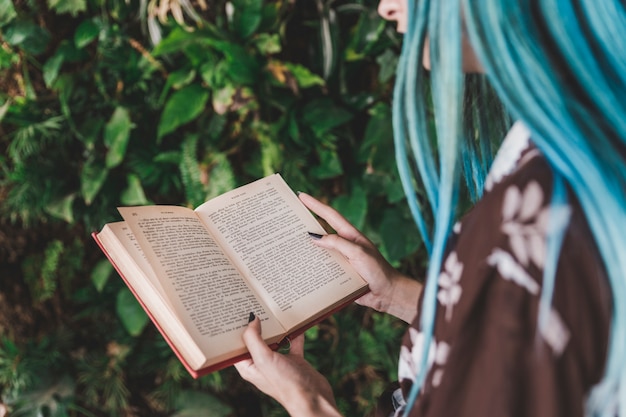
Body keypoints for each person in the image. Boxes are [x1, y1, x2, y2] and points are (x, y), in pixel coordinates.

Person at [235, 0, 626, 416]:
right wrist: (397, 295)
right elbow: (527, 334)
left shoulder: (536, 209)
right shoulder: (588, 129)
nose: (387, 8)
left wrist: (308, 402)